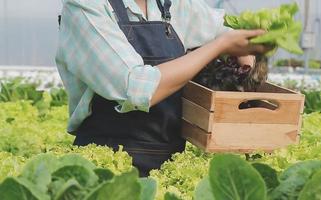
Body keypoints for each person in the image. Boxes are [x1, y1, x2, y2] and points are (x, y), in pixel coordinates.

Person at [55, 0, 270, 177]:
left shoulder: (169, 5)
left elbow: (224, 28)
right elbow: (135, 88)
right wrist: (219, 46)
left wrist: (246, 61)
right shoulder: (86, 7)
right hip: (109, 168)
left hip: (169, 161)